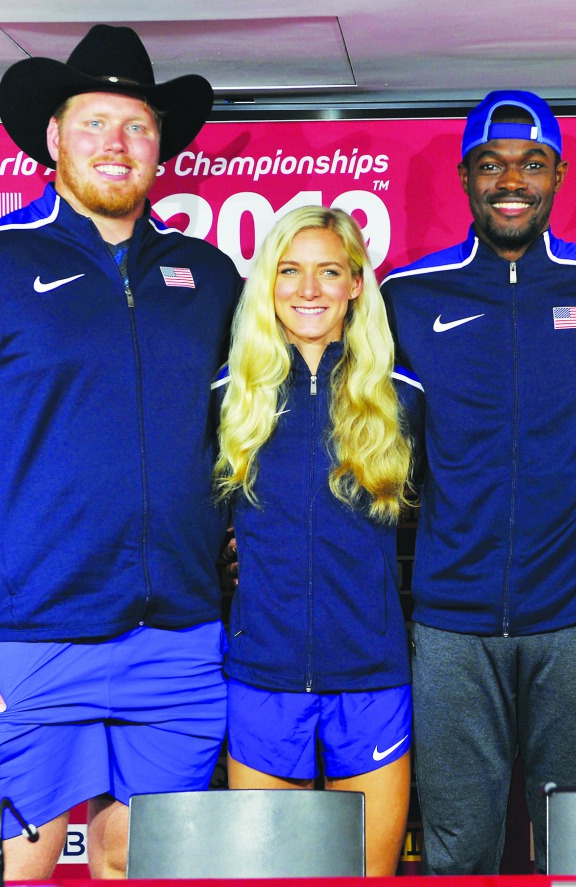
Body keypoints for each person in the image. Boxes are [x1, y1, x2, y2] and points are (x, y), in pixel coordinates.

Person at [0, 25, 240, 880]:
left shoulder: (209, 276)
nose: (117, 144)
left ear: (160, 146)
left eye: (137, 125)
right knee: (7, 872)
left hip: (180, 645)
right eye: (95, 122)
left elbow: (258, 426)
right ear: (53, 138)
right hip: (29, 644)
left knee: (138, 868)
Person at [380, 90, 576, 874]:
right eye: (492, 164)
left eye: (531, 164)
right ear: (466, 176)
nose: (511, 180)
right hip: (451, 624)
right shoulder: (407, 297)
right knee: (459, 849)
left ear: (557, 175)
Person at [212, 206, 422, 876]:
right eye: (290, 271)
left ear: (355, 283)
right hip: (263, 675)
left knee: (367, 876)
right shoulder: (229, 396)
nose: (309, 290)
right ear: (266, 282)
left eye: (329, 271)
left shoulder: (400, 396)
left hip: (372, 678)